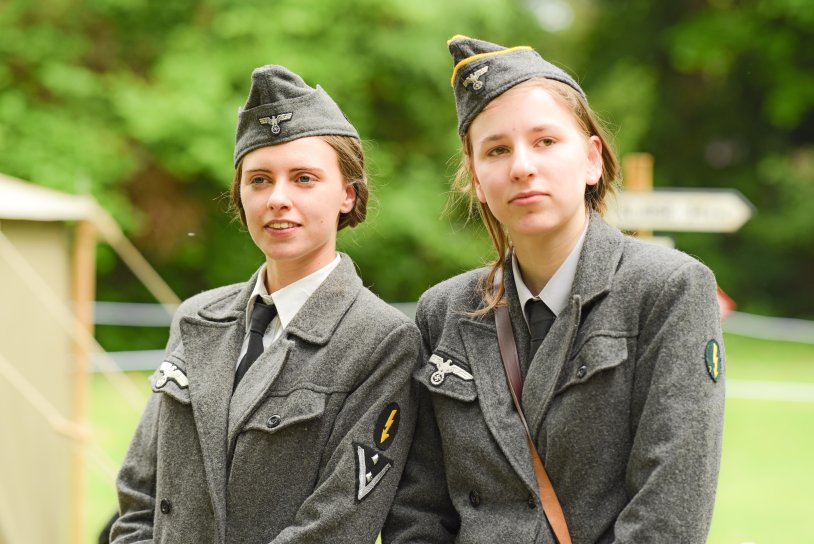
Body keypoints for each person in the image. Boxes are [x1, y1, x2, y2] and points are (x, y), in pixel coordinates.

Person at [383, 36, 725, 543]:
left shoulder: (668, 290)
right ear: (476, 178)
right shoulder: (444, 312)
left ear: (591, 160)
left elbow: (667, 515)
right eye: (497, 150)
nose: (522, 166)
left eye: (545, 141)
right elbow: (418, 510)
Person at [110, 65, 419, 543]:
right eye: (259, 180)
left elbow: (337, 524)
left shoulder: (381, 342)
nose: (277, 198)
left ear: (347, 194)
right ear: (240, 194)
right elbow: (139, 497)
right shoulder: (197, 319)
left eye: (303, 178)